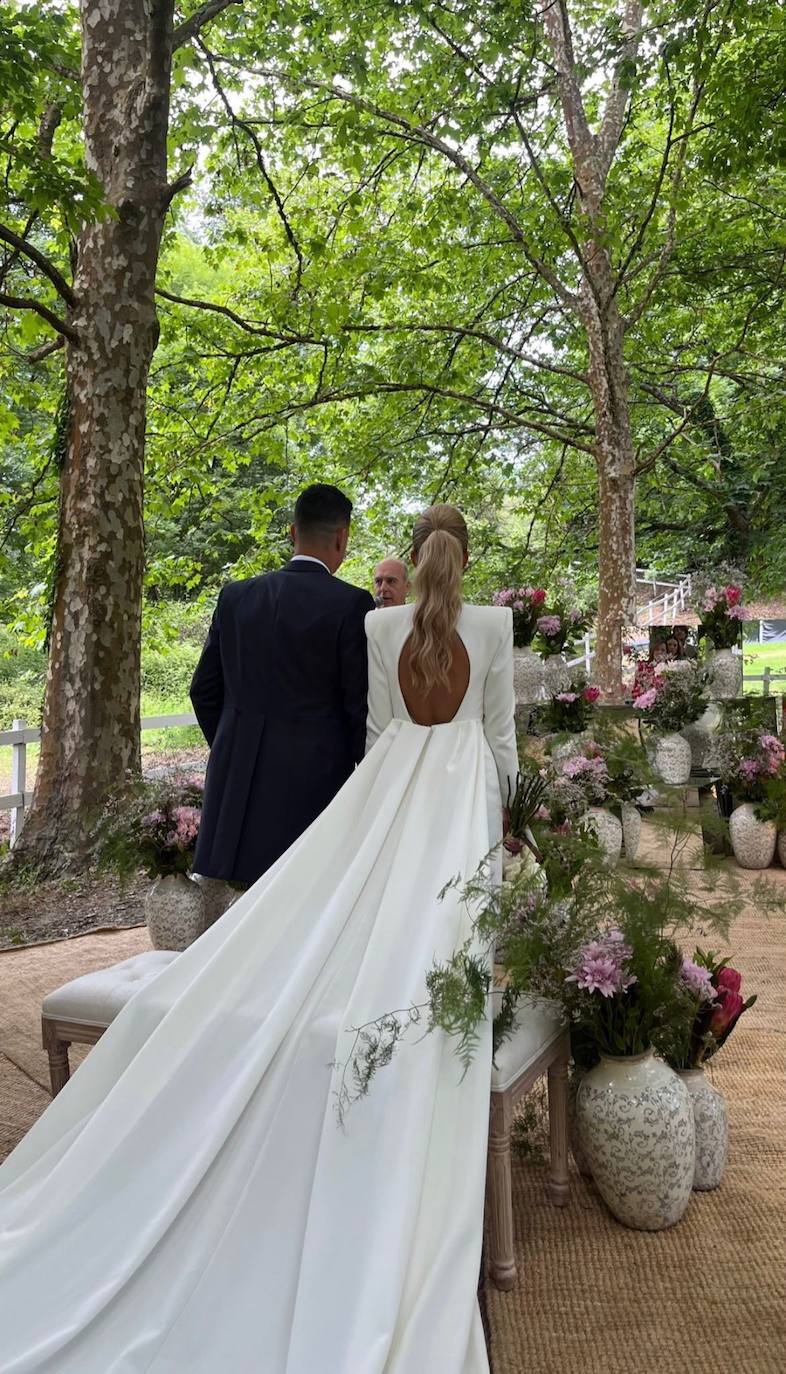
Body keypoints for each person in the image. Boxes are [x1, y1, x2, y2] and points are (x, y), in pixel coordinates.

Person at [0, 503, 516, 1374]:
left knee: (279, 946)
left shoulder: (293, 607)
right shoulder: (438, 620)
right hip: (408, 803)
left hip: (318, 801)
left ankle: (255, 1072)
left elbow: (350, 727)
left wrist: (259, 763)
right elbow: (476, 741)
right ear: (346, 541)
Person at [190, 483, 374, 892]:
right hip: (315, 789)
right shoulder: (351, 604)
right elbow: (358, 709)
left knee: (246, 907)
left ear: (293, 533)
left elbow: (203, 690)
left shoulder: (235, 597)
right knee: (304, 909)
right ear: (342, 538)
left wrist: (231, 746)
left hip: (240, 789)